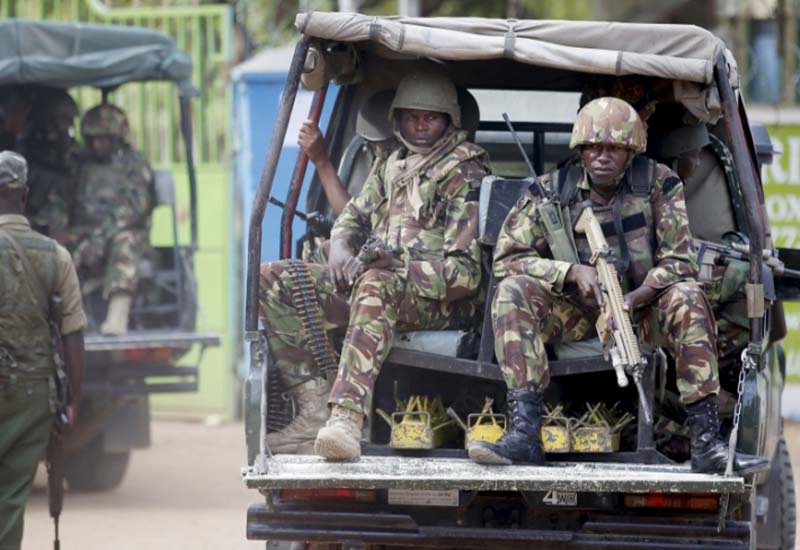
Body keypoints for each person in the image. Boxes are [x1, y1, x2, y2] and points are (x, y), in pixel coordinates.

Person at [468, 97, 767, 476]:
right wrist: (569, 272)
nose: (602, 157)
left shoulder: (659, 184)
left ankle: (706, 442)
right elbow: (508, 258)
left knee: (689, 296)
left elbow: (679, 261)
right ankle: (526, 434)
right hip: (577, 309)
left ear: (631, 150)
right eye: (594, 148)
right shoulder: (552, 188)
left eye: (613, 148)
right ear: (581, 150)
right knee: (511, 291)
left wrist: (636, 296)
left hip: (643, 311)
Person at [259, 71, 488, 457]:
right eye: (411, 116)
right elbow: (351, 218)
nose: (419, 125)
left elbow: (466, 274)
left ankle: (346, 419)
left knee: (376, 282)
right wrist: (341, 251)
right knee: (272, 278)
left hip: (442, 302)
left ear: (450, 122)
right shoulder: (392, 166)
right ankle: (315, 410)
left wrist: (395, 266)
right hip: (383, 288)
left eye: (430, 118)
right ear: (397, 120)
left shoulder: (464, 174)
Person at [0, 151, 85, 550]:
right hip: (33, 396)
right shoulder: (57, 255)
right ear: (25, 193)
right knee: (11, 497)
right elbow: (73, 333)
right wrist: (73, 399)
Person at [68, 104, 155, 335]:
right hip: (84, 234)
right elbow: (61, 198)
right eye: (93, 139)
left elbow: (131, 211)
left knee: (125, 241)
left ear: (117, 137)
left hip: (120, 236)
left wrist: (96, 242)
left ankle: (117, 317)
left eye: (104, 138)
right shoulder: (79, 165)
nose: (98, 145)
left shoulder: (134, 165)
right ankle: (67, 320)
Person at [19, 88, 80, 237]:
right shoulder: (27, 151)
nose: (62, 126)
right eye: (58, 119)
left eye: (66, 119)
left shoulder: (77, 155)